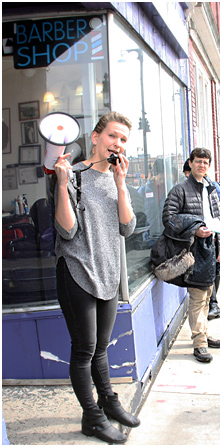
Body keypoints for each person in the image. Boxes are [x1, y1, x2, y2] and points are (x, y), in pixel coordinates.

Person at [53, 112, 139, 444]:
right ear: (95, 137)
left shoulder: (117, 177)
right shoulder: (71, 175)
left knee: (101, 347)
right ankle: (91, 417)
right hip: (76, 270)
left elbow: (127, 227)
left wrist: (120, 184)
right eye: (112, 136)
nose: (117, 144)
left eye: (123, 140)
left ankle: (108, 402)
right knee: (85, 349)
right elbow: (67, 229)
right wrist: (62, 184)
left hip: (108, 271)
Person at [162, 148, 220, 363]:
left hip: (212, 247)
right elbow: (169, 219)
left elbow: (219, 220)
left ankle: (204, 334)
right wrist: (194, 230)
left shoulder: (212, 189)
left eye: (205, 162)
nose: (202, 165)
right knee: (198, 297)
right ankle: (199, 343)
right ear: (190, 163)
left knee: (208, 294)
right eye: (198, 161)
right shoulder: (179, 190)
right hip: (193, 249)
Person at [182, 159, 220, 319]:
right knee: (206, 271)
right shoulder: (186, 189)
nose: (188, 177)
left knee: (215, 268)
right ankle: (211, 305)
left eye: (189, 173)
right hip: (199, 239)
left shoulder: (212, 187)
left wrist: (216, 228)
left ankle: (213, 304)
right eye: (186, 175)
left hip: (214, 237)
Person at [138, 158, 165, 240]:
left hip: (165, 234)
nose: (163, 179)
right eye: (161, 175)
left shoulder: (169, 189)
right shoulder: (143, 190)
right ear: (155, 174)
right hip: (149, 235)